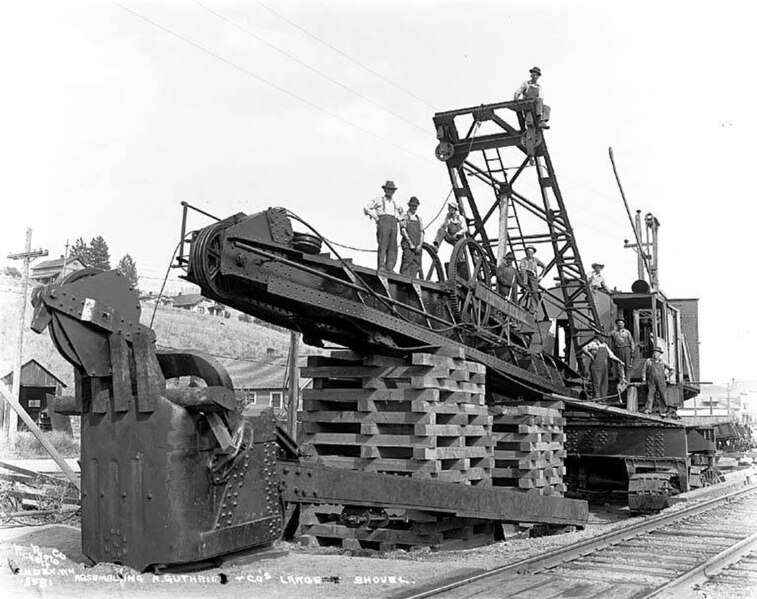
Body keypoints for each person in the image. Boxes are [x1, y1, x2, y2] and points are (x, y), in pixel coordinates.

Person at [364, 180, 403, 272]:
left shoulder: (395, 202)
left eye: (392, 190)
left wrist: (398, 218)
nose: (390, 191)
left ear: (394, 191)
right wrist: (376, 217)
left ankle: (390, 267)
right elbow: (366, 208)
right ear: (385, 190)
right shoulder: (378, 200)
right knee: (383, 244)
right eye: (388, 189)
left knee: (393, 246)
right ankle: (381, 265)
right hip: (383, 222)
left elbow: (403, 212)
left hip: (393, 223)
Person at [642, 347, 674, 415]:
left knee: (663, 395)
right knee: (650, 394)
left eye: (657, 353)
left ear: (660, 354)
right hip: (651, 381)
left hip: (661, 381)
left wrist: (667, 376)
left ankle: (663, 410)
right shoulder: (648, 361)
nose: (655, 355)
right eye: (654, 353)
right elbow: (644, 371)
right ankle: (648, 409)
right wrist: (644, 379)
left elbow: (672, 369)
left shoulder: (663, 361)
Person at [399, 196, 424, 277]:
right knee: (407, 263)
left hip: (417, 246)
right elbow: (403, 230)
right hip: (408, 245)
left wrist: (420, 245)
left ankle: (413, 282)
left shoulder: (419, 218)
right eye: (412, 205)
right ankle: (404, 282)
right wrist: (410, 243)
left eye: (415, 206)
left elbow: (422, 232)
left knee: (416, 264)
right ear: (409, 205)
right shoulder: (405, 216)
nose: (414, 207)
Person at [519, 246, 545, 312]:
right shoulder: (523, 260)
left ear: (533, 253)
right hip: (525, 277)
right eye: (528, 252)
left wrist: (541, 276)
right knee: (526, 291)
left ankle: (532, 309)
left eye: (531, 252)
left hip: (533, 278)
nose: (529, 253)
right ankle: (521, 305)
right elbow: (522, 269)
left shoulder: (535, 260)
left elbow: (544, 266)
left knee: (534, 293)